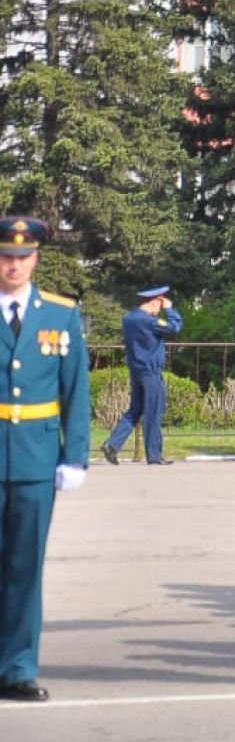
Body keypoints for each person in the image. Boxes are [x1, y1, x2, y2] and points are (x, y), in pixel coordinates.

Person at [0, 215, 91, 703]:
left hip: (35, 460)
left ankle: (17, 668)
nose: (14, 265)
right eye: (6, 256)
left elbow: (76, 390)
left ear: (36, 259)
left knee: (24, 567)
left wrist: (74, 456)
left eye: (23, 257)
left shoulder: (61, 314)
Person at [101, 286, 182, 466]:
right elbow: (175, 328)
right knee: (153, 413)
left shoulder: (129, 318)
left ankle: (112, 445)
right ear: (154, 302)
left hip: (136, 370)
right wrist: (170, 309)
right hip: (151, 372)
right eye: (159, 307)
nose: (158, 311)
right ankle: (154, 455)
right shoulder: (150, 322)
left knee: (135, 410)